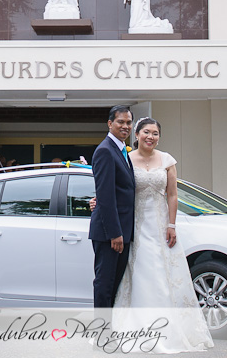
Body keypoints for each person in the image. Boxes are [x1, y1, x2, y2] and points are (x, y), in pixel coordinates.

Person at [94, 118, 214, 353]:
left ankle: (168, 330)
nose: (151, 136)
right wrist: (97, 202)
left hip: (159, 226)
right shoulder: (126, 158)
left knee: (163, 275)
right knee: (138, 274)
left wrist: (172, 224)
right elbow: (114, 189)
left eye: (156, 133)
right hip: (134, 227)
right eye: (146, 132)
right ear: (136, 135)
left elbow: (172, 195)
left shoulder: (167, 160)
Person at [89, 105, 136, 310]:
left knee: (115, 285)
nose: (125, 126)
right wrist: (115, 234)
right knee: (105, 285)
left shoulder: (122, 151)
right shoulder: (105, 151)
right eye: (120, 122)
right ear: (110, 124)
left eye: (128, 122)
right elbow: (106, 197)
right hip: (111, 235)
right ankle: (102, 337)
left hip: (123, 231)